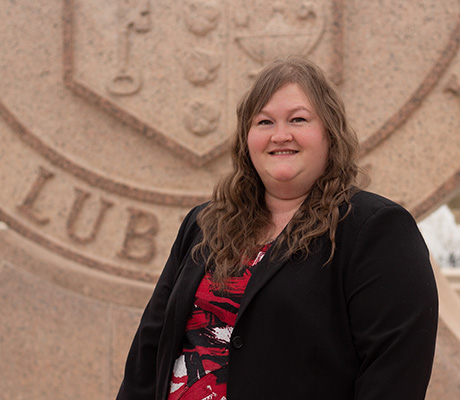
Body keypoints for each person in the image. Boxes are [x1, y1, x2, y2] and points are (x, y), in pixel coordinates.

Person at [116, 57, 438, 400]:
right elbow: (149, 350)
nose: (280, 135)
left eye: (298, 119)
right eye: (264, 122)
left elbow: (395, 371)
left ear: (329, 132)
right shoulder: (204, 224)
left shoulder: (375, 228)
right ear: (247, 138)